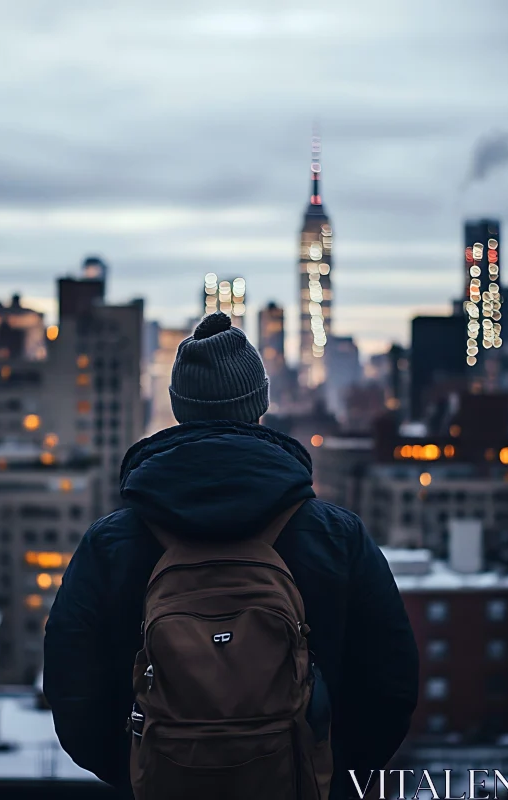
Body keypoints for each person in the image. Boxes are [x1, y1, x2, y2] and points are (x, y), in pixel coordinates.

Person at [43, 311, 419, 799]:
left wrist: (142, 769)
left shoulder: (112, 543)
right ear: (260, 403)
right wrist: (322, 768)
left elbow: (72, 691)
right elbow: (391, 685)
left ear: (178, 406)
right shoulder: (335, 537)